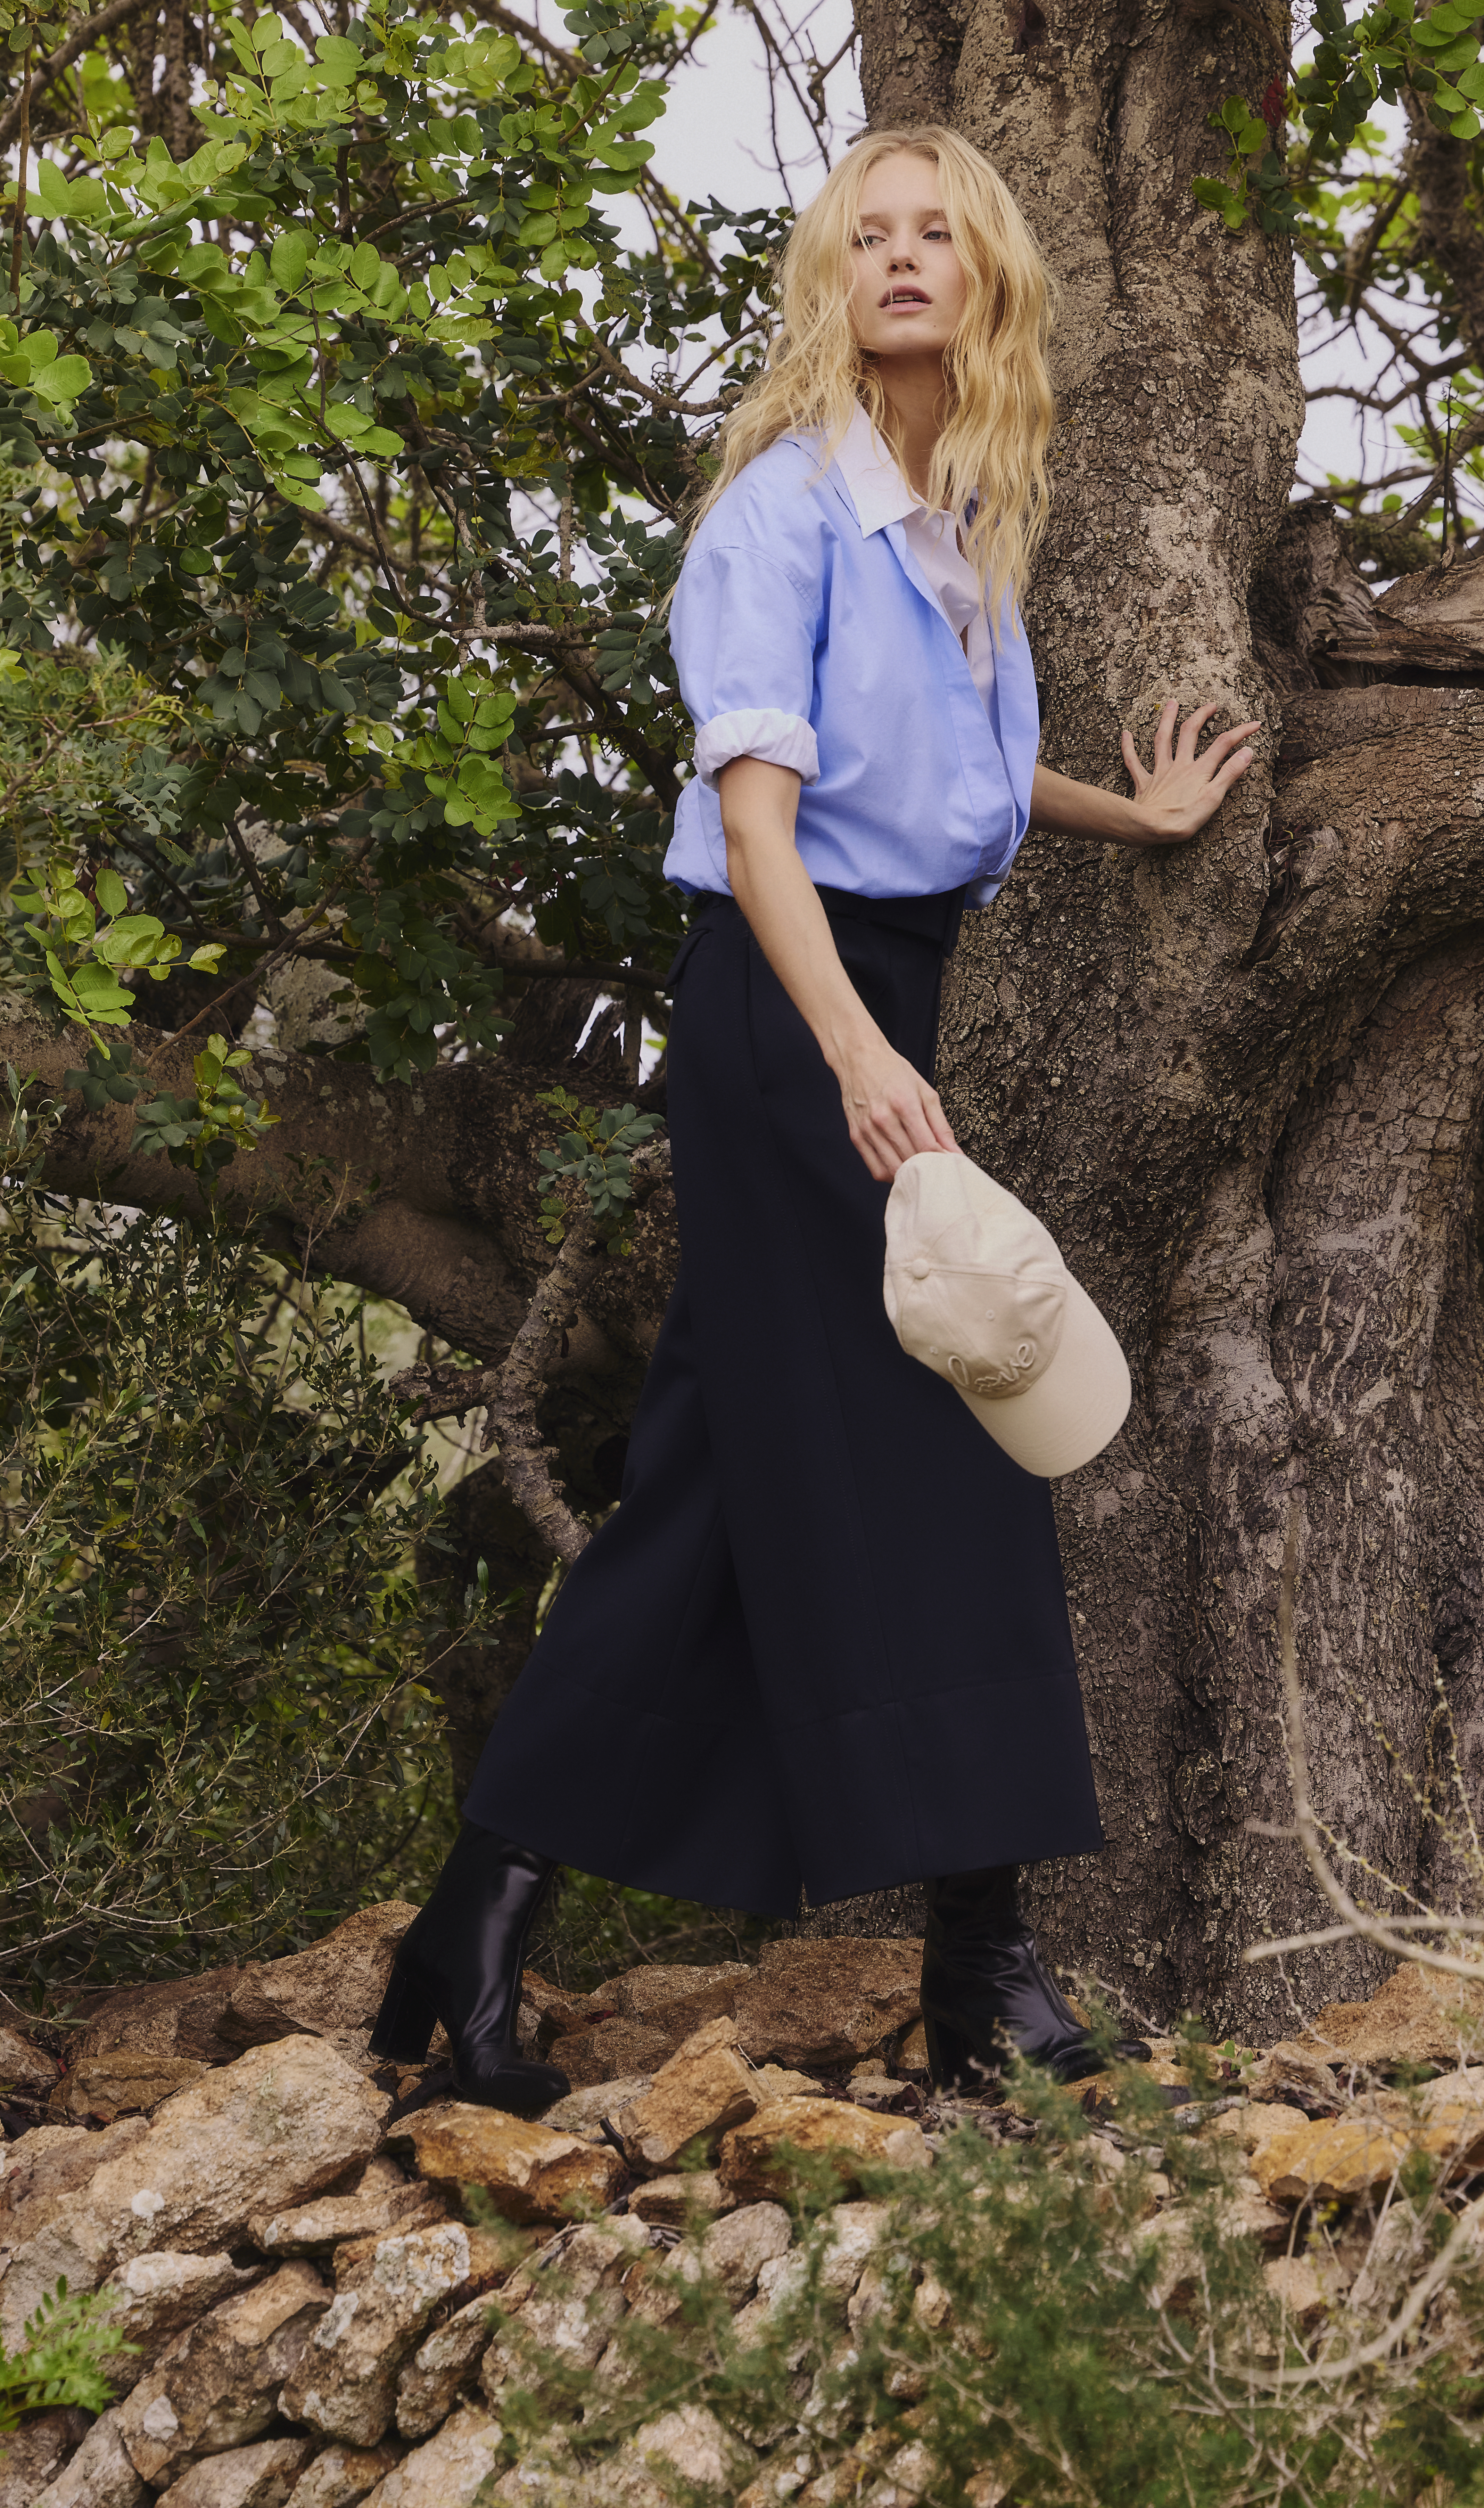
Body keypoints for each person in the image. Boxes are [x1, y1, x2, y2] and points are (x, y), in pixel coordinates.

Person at [371, 124, 1262, 2111]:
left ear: (989, 277)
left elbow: (952, 773)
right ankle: (986, 1970)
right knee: (951, 1437)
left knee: (716, 1481)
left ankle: (478, 1923)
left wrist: (1141, 817)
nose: (903, 259)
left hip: (876, 992)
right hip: (795, 1014)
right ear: (830, 284)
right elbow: (766, 823)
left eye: (937, 233)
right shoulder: (781, 514)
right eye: (868, 237)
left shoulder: (953, 527)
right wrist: (860, 1055)